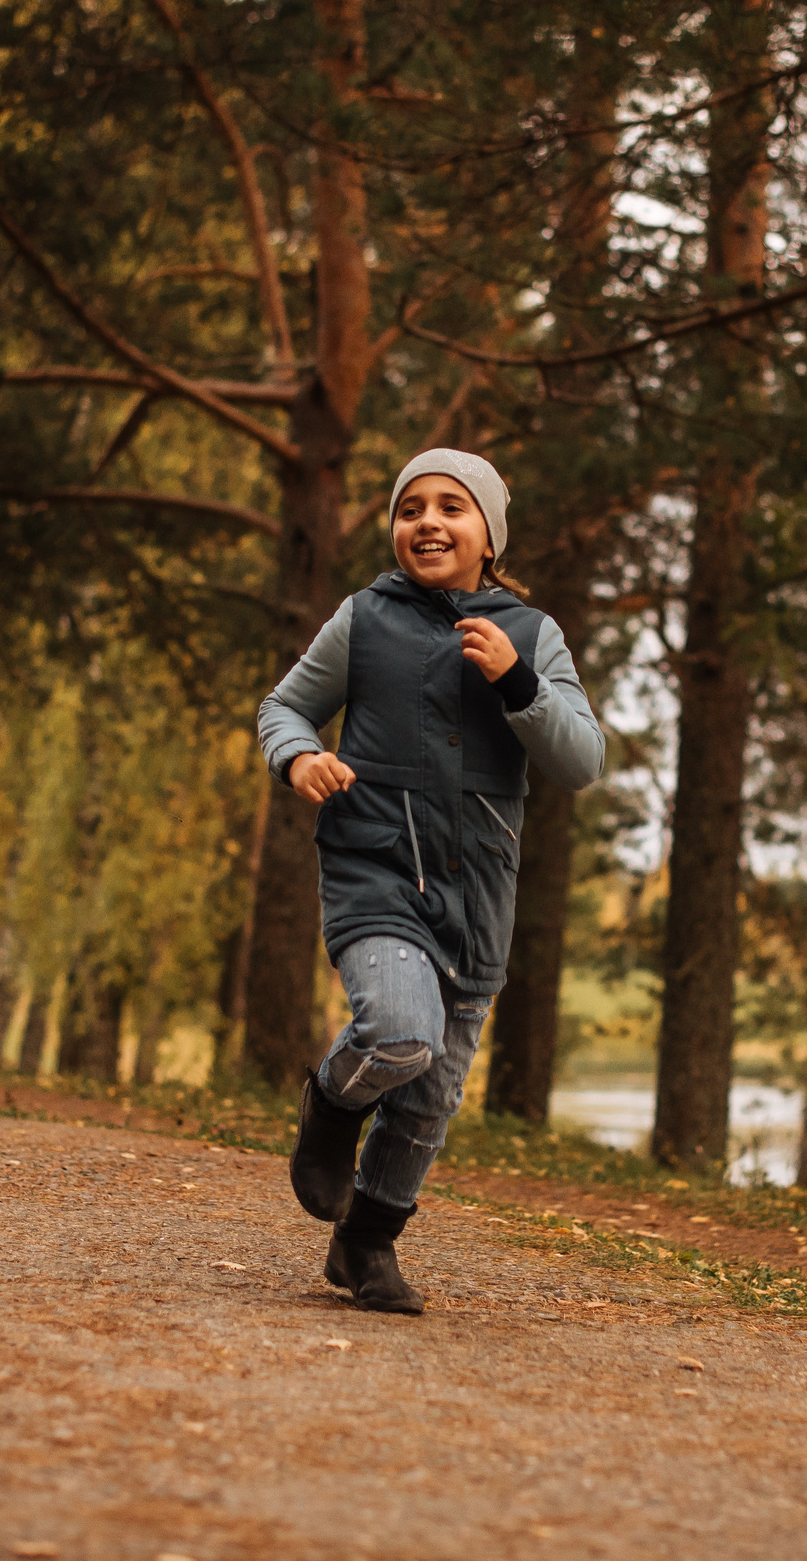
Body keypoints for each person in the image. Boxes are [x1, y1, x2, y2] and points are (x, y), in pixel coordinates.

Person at [257, 449, 603, 1313]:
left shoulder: (532, 635)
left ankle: (366, 1242)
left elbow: (582, 759)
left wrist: (516, 680)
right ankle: (332, 1104)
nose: (428, 522)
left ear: (489, 534)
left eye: (452, 506)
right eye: (411, 508)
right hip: (376, 865)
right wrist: (299, 757)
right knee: (400, 1032)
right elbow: (284, 706)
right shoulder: (365, 619)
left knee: (432, 1096)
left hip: (479, 894)